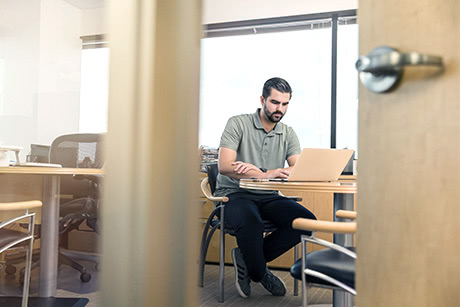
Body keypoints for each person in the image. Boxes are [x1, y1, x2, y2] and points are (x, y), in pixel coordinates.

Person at [214, 77, 317, 298]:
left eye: (285, 104)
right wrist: (265, 173)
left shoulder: (288, 133)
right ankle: (260, 273)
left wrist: (261, 173)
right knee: (251, 221)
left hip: (269, 196)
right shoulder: (238, 123)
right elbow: (224, 166)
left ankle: (247, 258)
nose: (280, 109)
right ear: (262, 99)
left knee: (306, 222)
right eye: (275, 102)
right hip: (234, 194)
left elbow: (296, 169)